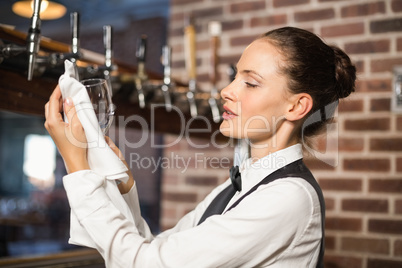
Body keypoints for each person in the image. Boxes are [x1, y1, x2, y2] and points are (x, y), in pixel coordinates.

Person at [44, 26, 356, 267]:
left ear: (297, 106)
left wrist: (78, 168)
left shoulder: (289, 199)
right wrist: (125, 186)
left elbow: (144, 264)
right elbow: (154, 250)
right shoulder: (239, 185)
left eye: (250, 82)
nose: (226, 90)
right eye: (235, 76)